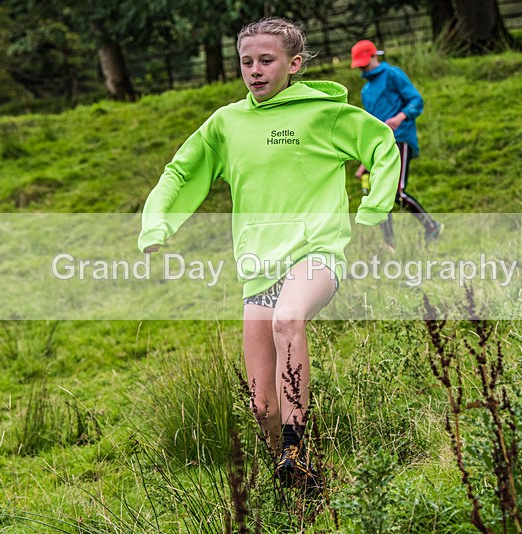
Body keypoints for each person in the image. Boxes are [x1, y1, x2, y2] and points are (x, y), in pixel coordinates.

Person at [137, 18, 401, 490]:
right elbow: (180, 171)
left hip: (316, 253)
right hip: (259, 269)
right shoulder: (226, 124)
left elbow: (381, 143)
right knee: (262, 407)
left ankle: (296, 449)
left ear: (294, 64)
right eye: (246, 62)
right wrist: (157, 222)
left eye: (266, 60)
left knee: (288, 320)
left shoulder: (324, 115)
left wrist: (373, 207)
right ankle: (299, 482)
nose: (254, 71)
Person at [351, 39, 443, 246]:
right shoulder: (366, 91)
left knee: (396, 191)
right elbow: (370, 127)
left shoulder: (393, 74)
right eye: (360, 65)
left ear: (375, 56)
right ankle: (389, 245)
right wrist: (365, 160)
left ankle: (432, 226)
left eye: (366, 63)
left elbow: (416, 100)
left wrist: (400, 117)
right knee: (381, 196)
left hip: (400, 138)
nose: (363, 68)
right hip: (380, 146)